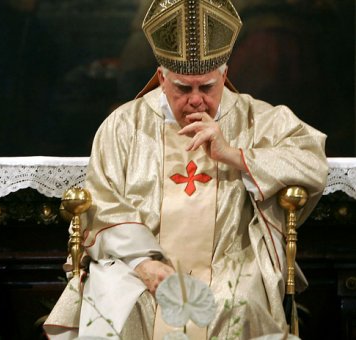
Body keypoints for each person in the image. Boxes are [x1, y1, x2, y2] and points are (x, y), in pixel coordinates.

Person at [43, 0, 328, 339]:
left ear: (225, 75)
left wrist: (235, 154)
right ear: (162, 78)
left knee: (237, 303)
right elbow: (103, 201)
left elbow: (311, 160)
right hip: (140, 265)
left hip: (230, 263)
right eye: (182, 88)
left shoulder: (256, 119)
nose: (195, 100)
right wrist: (142, 263)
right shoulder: (124, 125)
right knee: (120, 302)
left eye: (207, 87)